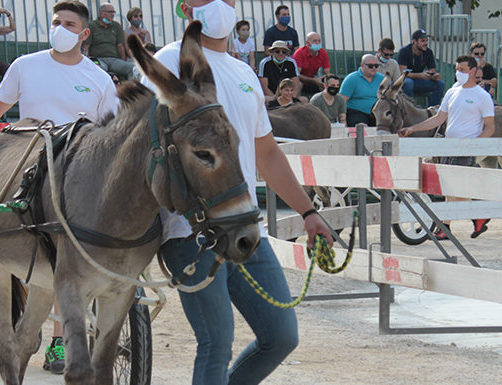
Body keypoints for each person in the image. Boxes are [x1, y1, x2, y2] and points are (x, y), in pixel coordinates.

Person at [153, 2, 332, 384]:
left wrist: (308, 212)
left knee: (281, 336)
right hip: (193, 231)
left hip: (246, 227)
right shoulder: (168, 60)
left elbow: (267, 153)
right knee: (216, 343)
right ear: (186, 8)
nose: (221, 5)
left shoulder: (243, 72)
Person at [0, 3, 118, 373]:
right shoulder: (27, 65)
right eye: (57, 22)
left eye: (70, 24)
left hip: (78, 172)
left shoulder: (99, 79)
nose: (61, 28)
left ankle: (59, 339)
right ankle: (32, 333)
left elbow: (109, 136)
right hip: (28, 161)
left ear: (85, 34)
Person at [398, 55, 495, 238]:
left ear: (474, 71)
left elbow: (490, 126)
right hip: (448, 145)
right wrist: (412, 129)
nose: (459, 73)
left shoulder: (482, 96)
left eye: (463, 70)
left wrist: (476, 145)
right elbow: (438, 119)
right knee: (450, 187)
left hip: (466, 147)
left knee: (453, 187)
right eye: (457, 69)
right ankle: (471, 219)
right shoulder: (452, 92)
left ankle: (447, 225)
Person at [85, 3, 135, 80]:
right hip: (99, 59)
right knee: (98, 69)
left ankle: (130, 89)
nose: (112, 14)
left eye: (113, 12)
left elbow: (120, 46)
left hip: (114, 60)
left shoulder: (116, 26)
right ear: (102, 13)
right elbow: (86, 46)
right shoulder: (92, 26)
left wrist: (123, 62)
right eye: (110, 12)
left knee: (133, 68)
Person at [397, 29, 445, 107]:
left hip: (418, 82)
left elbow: (432, 69)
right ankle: (408, 110)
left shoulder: (428, 52)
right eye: (423, 41)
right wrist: (420, 75)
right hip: (404, 82)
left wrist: (434, 76)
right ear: (414, 41)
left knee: (440, 84)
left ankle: (432, 111)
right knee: (409, 83)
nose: (426, 43)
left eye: (426, 41)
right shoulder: (404, 51)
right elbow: (402, 73)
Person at [339, 54, 384, 128]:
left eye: (376, 66)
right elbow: (342, 100)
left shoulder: (382, 79)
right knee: (361, 128)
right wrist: (343, 119)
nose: (373, 68)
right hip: (356, 112)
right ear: (362, 65)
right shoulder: (351, 79)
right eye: (370, 66)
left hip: (378, 113)